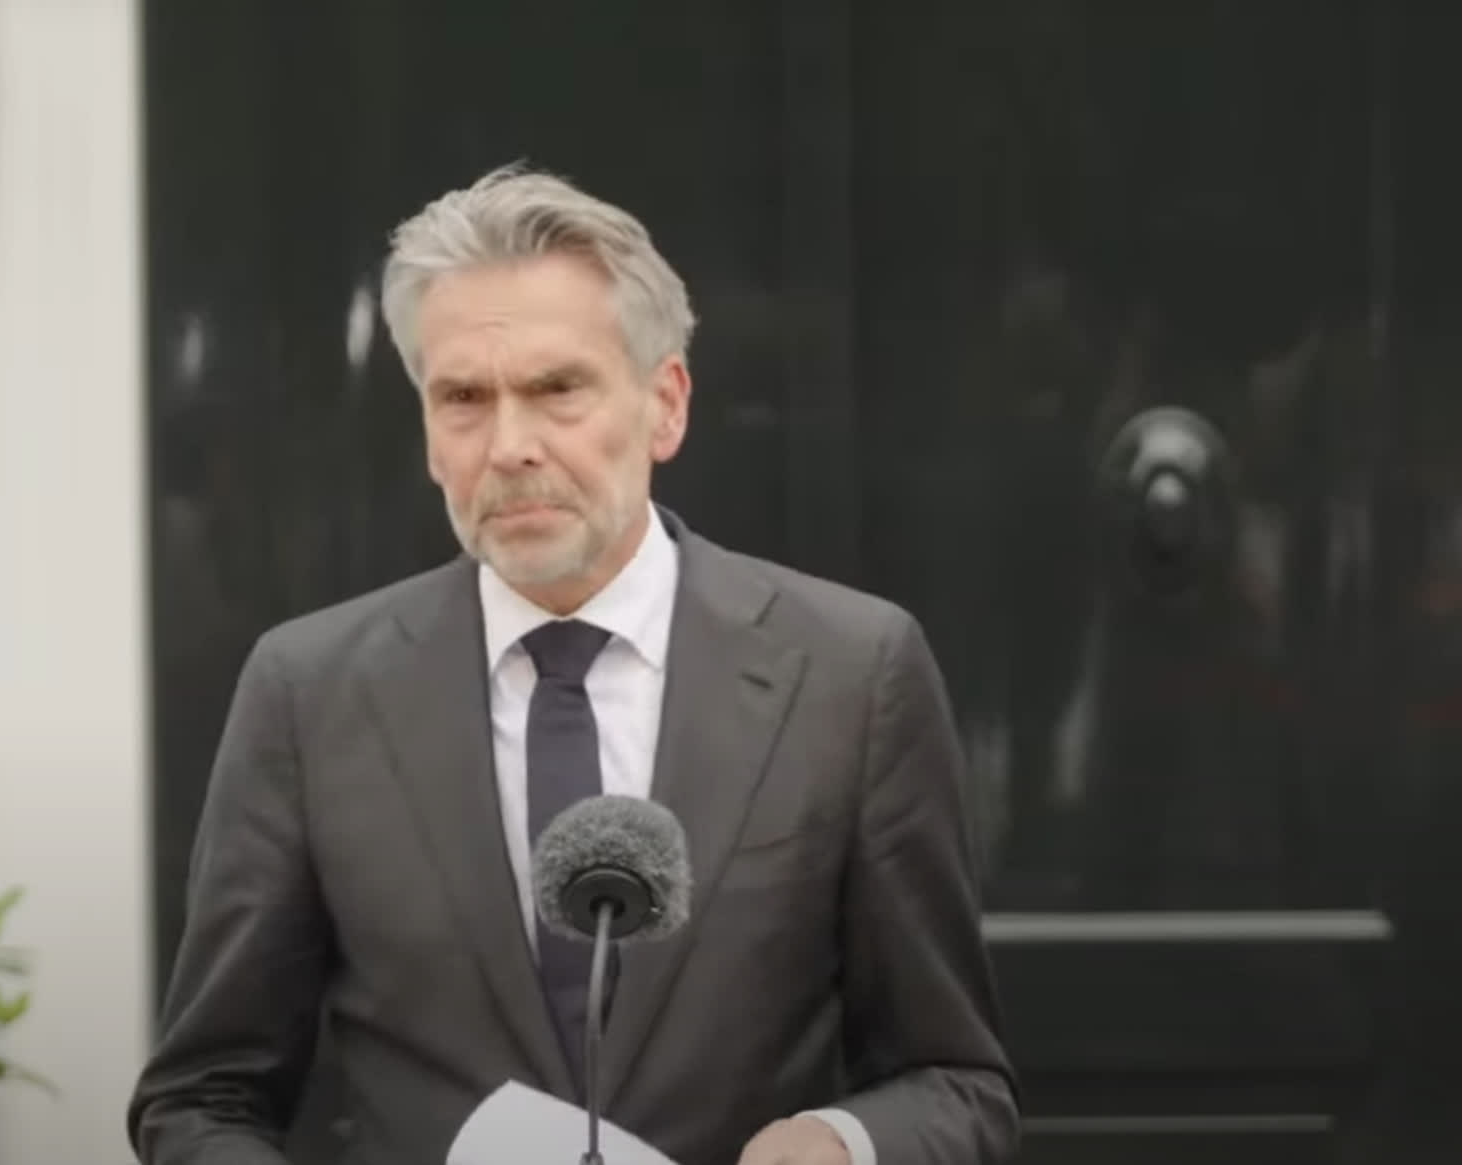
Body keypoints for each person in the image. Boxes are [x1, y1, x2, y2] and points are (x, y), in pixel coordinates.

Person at [126, 164, 1019, 1165]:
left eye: (557, 389)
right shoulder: (309, 694)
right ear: (427, 434)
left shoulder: (849, 674)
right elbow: (201, 1099)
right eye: (463, 398)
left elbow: (958, 1085)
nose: (510, 445)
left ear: (664, 405)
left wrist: (841, 1142)